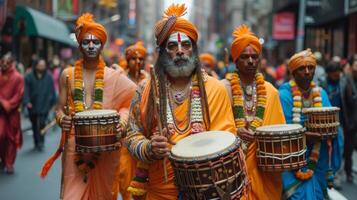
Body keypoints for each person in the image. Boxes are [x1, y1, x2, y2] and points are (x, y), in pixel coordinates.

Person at [125, 4, 236, 199]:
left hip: (204, 189)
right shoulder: (146, 89)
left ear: (194, 50)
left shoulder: (215, 89)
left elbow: (227, 140)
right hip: (160, 189)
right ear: (162, 51)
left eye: (186, 45)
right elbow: (131, 135)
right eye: (172, 46)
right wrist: (149, 148)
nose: (180, 51)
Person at [40, 13, 137, 200]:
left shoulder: (114, 76)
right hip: (75, 145)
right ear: (79, 45)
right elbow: (59, 109)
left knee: (104, 195)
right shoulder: (67, 75)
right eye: (86, 42)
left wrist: (123, 123)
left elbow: (132, 102)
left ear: (102, 45)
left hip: (106, 148)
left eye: (95, 42)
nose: (91, 46)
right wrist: (62, 119)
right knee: (71, 196)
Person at [221, 24, 286, 200]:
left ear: (259, 59)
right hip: (231, 170)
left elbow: (279, 133)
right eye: (244, 57)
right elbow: (213, 129)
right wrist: (235, 133)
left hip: (264, 170)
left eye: (254, 56)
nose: (250, 61)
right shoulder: (222, 89)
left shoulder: (271, 91)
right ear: (235, 60)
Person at [279, 49, 341, 199]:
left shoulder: (322, 94)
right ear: (293, 72)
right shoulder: (283, 95)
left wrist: (331, 132)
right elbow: (279, 129)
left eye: (311, 67)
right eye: (302, 68)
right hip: (292, 159)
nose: (307, 72)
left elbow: (332, 123)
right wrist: (304, 136)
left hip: (319, 156)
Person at [112, 41, 149, 200]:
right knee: (124, 175)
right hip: (124, 136)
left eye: (141, 59)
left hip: (143, 134)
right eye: (134, 59)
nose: (138, 62)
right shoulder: (120, 78)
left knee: (142, 178)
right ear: (128, 61)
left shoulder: (147, 79)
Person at [23, 59, 56, 151]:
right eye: (40, 65)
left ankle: (41, 141)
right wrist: (27, 101)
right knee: (34, 124)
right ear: (36, 66)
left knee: (42, 123)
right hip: (33, 104)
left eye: (43, 65)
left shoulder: (49, 77)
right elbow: (26, 91)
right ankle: (36, 141)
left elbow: (52, 90)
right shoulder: (28, 77)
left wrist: (53, 101)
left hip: (45, 104)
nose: (42, 67)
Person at [0, 52, 24, 174]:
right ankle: (3, 159)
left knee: (11, 138)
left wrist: (6, 104)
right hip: (1, 113)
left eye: (7, 62)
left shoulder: (18, 77)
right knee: (1, 135)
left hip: (12, 113)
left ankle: (9, 163)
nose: (4, 64)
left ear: (11, 63)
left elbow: (19, 95)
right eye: (2, 61)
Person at [342, 57, 357, 183]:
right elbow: (344, 101)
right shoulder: (346, 80)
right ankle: (347, 171)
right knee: (348, 148)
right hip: (350, 121)